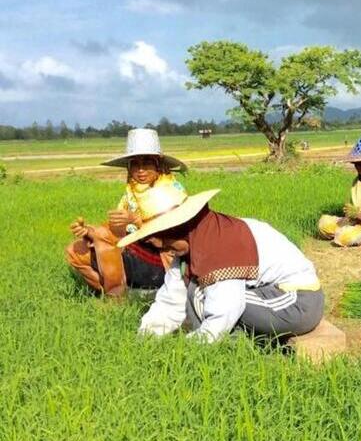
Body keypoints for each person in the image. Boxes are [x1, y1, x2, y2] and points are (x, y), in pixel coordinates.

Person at [117, 185, 324, 343]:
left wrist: (195, 348)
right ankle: (235, 342)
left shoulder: (218, 242)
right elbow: (171, 300)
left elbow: (227, 306)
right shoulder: (192, 243)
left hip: (297, 301)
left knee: (199, 292)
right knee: (197, 290)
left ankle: (224, 346)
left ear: (177, 229)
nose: (163, 248)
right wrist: (144, 338)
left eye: (162, 240)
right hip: (266, 294)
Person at [65, 128, 187, 296]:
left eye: (147, 163)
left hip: (162, 261)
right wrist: (89, 232)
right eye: (135, 164)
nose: (141, 170)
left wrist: (138, 222)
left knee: (103, 239)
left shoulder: (171, 194)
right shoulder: (131, 194)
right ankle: (112, 294)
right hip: (135, 252)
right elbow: (115, 230)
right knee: (76, 251)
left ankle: (115, 298)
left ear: (158, 165)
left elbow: (177, 242)